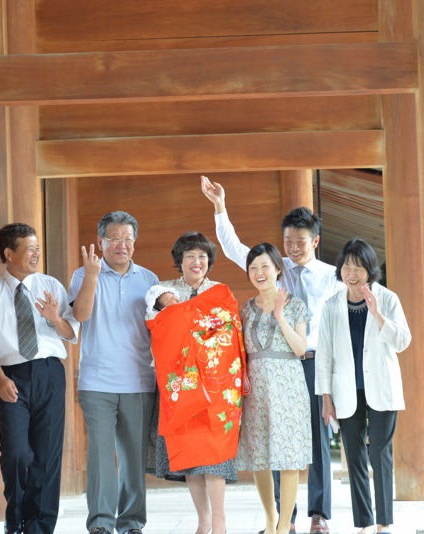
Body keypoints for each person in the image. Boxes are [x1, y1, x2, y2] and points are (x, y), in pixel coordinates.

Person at [201, 175, 340, 534]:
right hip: (272, 370)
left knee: (315, 441)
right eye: (288, 242)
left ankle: (318, 514)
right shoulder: (272, 269)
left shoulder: (332, 277)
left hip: (312, 364)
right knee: (273, 444)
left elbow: (338, 327)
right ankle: (283, 519)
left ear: (316, 241)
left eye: (301, 241)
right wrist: (220, 207)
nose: (293, 247)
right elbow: (235, 248)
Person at [0, 223, 79, 534]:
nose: (36, 253)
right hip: (11, 376)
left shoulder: (51, 286)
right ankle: (15, 517)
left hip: (49, 372)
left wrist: (55, 319)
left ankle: (38, 527)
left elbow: (71, 333)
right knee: (17, 452)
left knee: (47, 453)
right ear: (9, 253)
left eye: (37, 247)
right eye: (30, 248)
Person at [146, 231, 247, 534]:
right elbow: (156, 328)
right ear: (180, 260)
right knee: (190, 453)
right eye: (190, 255)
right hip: (181, 384)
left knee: (213, 453)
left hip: (217, 385)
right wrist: (169, 307)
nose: (196, 261)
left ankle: (219, 520)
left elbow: (232, 335)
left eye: (202, 256)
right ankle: (203, 519)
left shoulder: (220, 293)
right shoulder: (164, 292)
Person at [68, 211, 160, 534]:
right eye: (114, 239)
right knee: (101, 457)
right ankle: (101, 524)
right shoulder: (82, 275)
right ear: (100, 242)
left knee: (134, 458)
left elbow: (158, 330)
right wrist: (93, 276)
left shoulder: (149, 280)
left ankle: (132, 523)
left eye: (128, 239)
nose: (122, 245)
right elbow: (80, 315)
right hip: (96, 383)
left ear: (134, 242)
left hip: (139, 382)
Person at [315, 238, 411, 534]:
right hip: (346, 391)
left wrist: (377, 315)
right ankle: (365, 523)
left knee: (380, 453)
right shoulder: (331, 305)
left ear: (370, 270)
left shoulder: (388, 298)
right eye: (346, 266)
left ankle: (384, 523)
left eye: (357, 267)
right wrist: (325, 398)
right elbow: (325, 353)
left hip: (381, 388)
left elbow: (402, 341)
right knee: (354, 456)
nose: (351, 273)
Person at [238, 243, 312, 534]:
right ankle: (270, 520)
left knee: (288, 458)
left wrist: (280, 315)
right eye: (253, 268)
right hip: (256, 389)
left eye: (265, 266)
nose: (259, 272)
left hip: (288, 388)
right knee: (260, 457)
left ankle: (284, 526)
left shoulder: (295, 305)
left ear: (278, 269)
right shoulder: (244, 308)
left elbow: (300, 348)